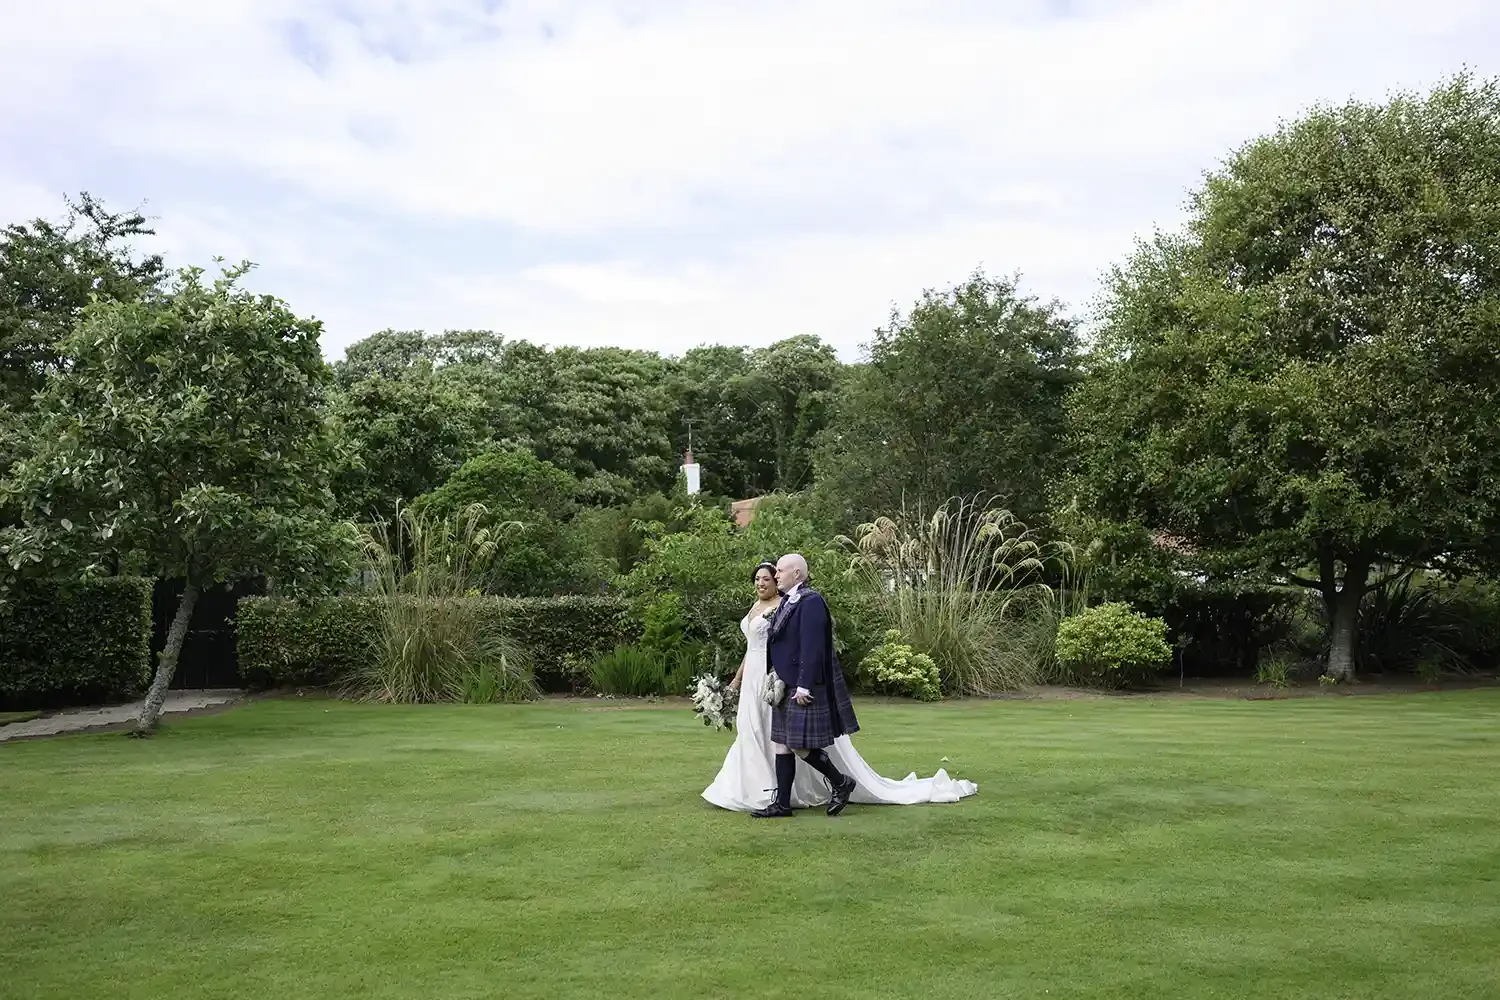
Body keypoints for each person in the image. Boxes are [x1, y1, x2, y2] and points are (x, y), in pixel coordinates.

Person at [701, 556, 978, 816]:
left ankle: (841, 781)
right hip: (780, 684)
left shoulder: (811, 601)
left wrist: (804, 686)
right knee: (782, 743)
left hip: (798, 684)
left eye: (780, 571)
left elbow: (812, 646)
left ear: (796, 573)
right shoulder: (787, 601)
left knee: (796, 745)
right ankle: (781, 805)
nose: (775, 576)